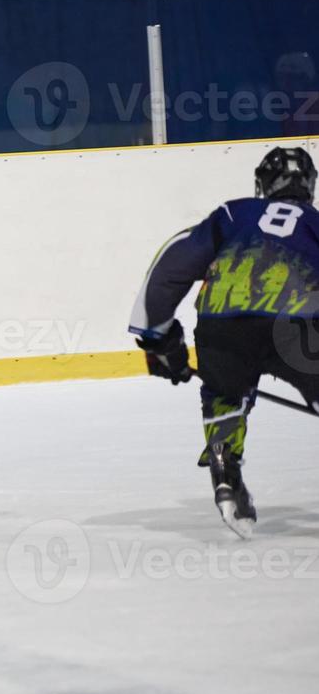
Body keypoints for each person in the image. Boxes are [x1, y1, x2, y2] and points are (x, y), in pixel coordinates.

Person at [129, 145, 319, 538]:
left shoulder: (233, 215)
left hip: (222, 324)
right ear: (311, 187)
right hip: (298, 326)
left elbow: (169, 269)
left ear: (262, 185)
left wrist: (159, 340)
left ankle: (225, 466)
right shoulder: (314, 223)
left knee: (225, 394)